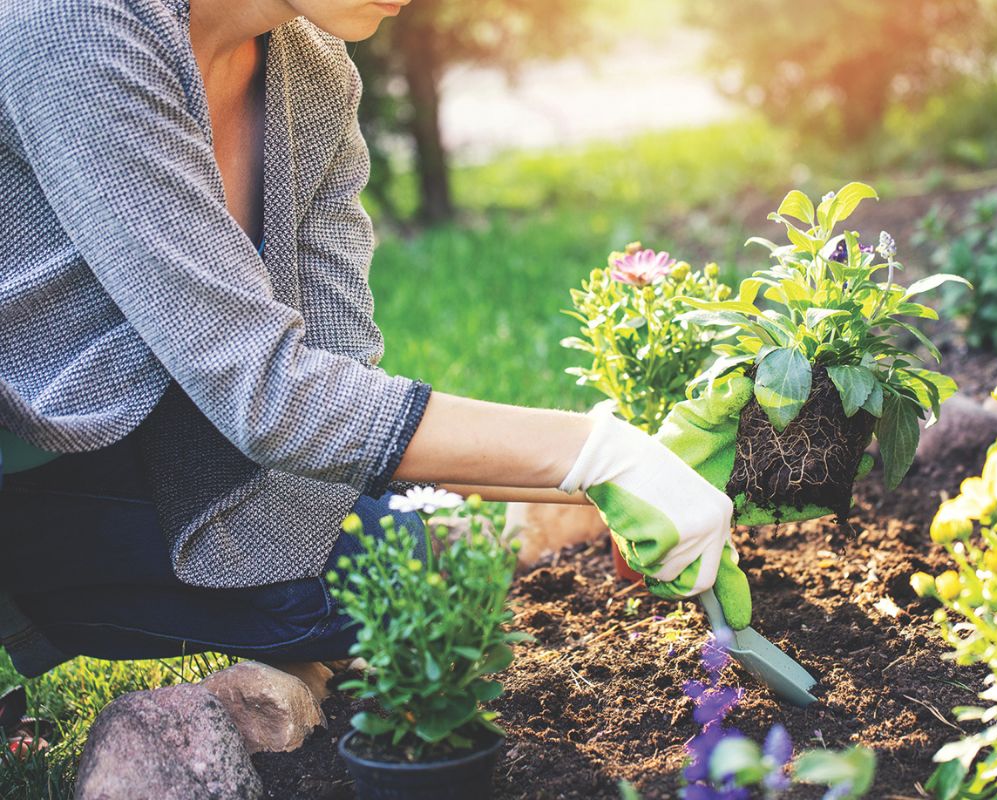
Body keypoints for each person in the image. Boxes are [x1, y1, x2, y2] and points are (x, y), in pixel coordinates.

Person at [0, 0, 735, 679]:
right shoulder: (71, 26)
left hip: (172, 441)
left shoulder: (313, 72)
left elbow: (337, 385)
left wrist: (615, 479)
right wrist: (593, 450)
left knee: (406, 570)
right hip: (33, 457)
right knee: (346, 596)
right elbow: (269, 394)